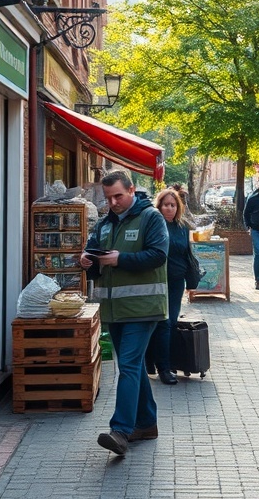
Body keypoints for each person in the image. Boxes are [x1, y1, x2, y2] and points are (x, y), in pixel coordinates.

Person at [80, 171, 169, 455]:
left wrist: (121, 259)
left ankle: (120, 430)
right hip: (114, 310)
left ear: (132, 190)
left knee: (128, 367)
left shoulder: (151, 218)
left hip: (143, 308)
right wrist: (87, 262)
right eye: (108, 198)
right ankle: (147, 424)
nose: (113, 202)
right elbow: (96, 263)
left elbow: (158, 255)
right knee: (134, 367)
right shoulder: (105, 224)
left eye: (118, 195)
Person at [145, 187, 195, 385]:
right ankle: (160, 366)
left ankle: (162, 364)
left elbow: (186, 253)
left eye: (173, 205)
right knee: (157, 322)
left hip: (176, 281)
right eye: (166, 204)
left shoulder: (182, 227)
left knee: (169, 322)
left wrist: (190, 279)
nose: (169, 208)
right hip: (156, 280)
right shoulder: (153, 225)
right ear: (159, 206)